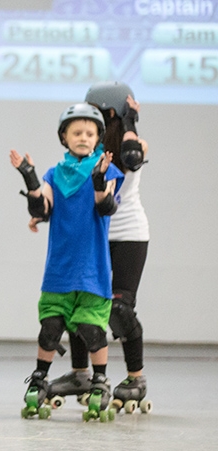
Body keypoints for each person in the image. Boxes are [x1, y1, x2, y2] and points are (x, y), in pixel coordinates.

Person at [13, 103, 124, 422]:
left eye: (90, 133)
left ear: (98, 138)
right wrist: (30, 176)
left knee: (92, 329)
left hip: (92, 267)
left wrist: (99, 178)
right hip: (60, 268)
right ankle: (39, 379)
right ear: (64, 137)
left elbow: (106, 208)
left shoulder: (106, 170)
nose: (84, 137)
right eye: (77, 132)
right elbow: (42, 206)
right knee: (50, 328)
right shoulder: (54, 174)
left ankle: (100, 380)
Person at [46, 82, 151, 414]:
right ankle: (81, 374)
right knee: (79, 300)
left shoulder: (134, 143)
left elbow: (132, 159)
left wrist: (131, 120)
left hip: (128, 233)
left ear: (110, 113)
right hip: (91, 234)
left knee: (119, 310)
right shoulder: (84, 149)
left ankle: (136, 378)